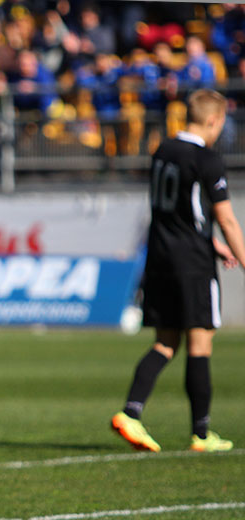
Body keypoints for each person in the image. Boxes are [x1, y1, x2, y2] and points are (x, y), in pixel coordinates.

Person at [111, 89, 245, 453]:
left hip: (160, 257)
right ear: (214, 120)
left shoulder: (163, 149)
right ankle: (201, 433)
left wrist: (211, 242)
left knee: (166, 341)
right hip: (192, 264)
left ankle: (131, 413)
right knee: (200, 342)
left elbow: (178, 212)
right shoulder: (207, 159)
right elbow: (227, 219)